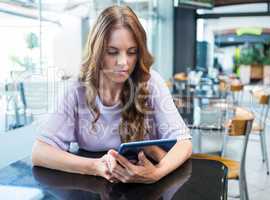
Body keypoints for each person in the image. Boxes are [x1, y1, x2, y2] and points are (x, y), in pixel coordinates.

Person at [32, 5, 192, 184]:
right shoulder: (76, 89)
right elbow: (40, 152)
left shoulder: (151, 81)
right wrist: (95, 167)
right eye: (112, 52)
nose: (123, 62)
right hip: (93, 186)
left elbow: (184, 143)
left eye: (131, 52)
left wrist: (155, 174)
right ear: (98, 52)